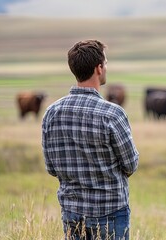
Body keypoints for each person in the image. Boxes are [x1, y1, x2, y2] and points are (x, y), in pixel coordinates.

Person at [42, 39, 139, 240]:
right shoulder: (113, 114)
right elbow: (131, 164)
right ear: (99, 68)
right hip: (110, 210)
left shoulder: (51, 113)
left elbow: (51, 168)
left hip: (72, 211)